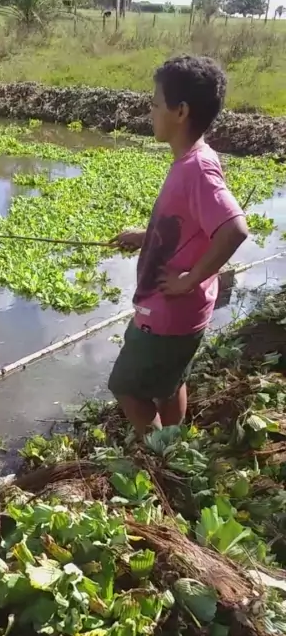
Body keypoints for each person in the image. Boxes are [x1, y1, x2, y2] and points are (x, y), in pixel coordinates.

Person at [108, 55, 248, 435]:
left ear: (181, 111)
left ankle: (162, 454)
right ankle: (175, 439)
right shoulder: (195, 159)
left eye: (155, 104)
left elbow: (234, 229)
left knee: (126, 387)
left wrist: (189, 279)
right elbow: (193, 226)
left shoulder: (196, 169)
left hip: (167, 313)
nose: (151, 112)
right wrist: (146, 236)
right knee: (170, 382)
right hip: (185, 313)